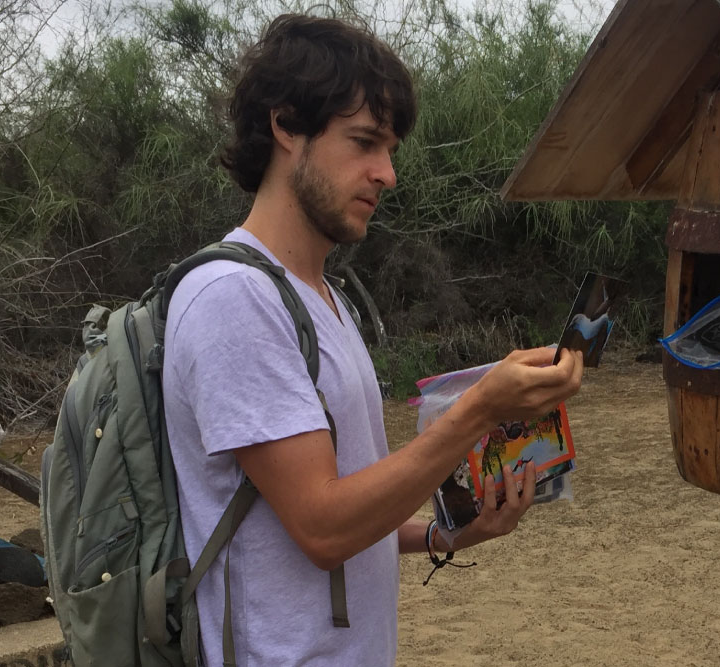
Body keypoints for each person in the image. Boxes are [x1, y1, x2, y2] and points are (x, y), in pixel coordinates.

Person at [161, 14, 583, 666]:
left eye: (390, 150)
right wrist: (479, 409)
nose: (386, 173)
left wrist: (447, 533)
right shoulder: (232, 300)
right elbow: (323, 528)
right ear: (285, 126)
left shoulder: (321, 298)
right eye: (364, 142)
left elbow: (344, 515)